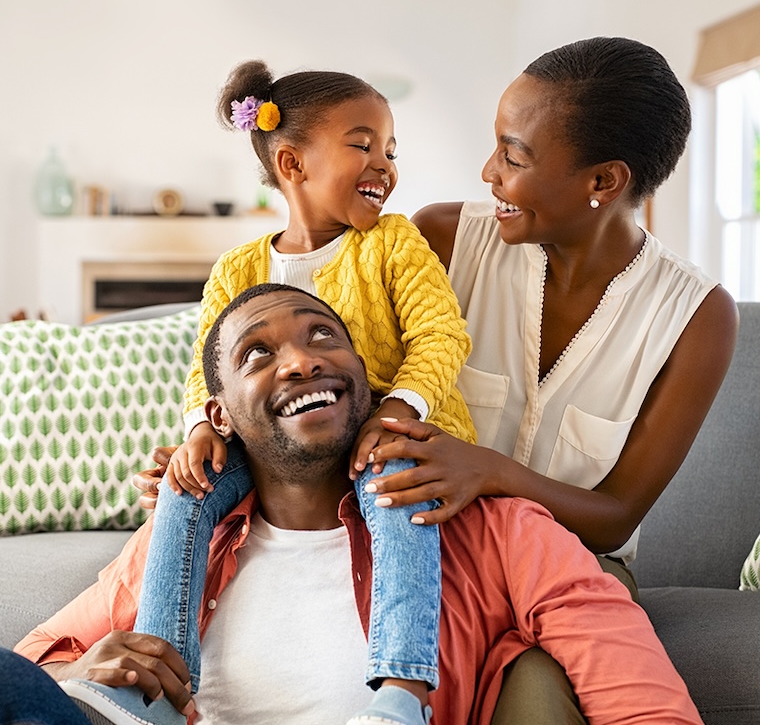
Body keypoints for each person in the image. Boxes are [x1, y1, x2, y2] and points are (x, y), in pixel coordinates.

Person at [11, 284, 705, 725]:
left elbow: (638, 694)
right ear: (217, 416)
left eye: (322, 336)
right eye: (258, 354)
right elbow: (36, 661)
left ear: (367, 385)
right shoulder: (183, 543)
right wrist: (82, 667)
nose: (300, 360)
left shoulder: (494, 529)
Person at [352, 36, 739, 722]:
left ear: (603, 182)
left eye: (514, 155)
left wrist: (490, 471)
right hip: (430, 551)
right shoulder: (440, 242)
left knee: (537, 694)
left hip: (577, 569)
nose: (487, 171)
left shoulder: (696, 317)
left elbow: (617, 514)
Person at [99, 60, 476, 725]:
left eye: (391, 149)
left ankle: (399, 691)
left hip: (384, 433)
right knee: (183, 494)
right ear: (292, 164)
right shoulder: (239, 267)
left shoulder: (392, 243)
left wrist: (395, 412)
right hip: (275, 450)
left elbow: (440, 336)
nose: (384, 164)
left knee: (394, 488)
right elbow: (206, 366)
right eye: (363, 144)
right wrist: (199, 432)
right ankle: (161, 683)